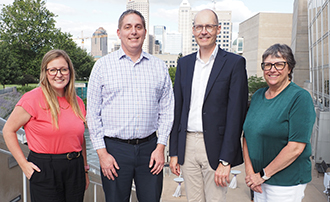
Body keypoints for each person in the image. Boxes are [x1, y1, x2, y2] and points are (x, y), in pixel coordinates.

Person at [86, 9, 174, 202]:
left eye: (138, 27)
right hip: (114, 151)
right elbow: (92, 113)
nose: (133, 32)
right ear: (119, 33)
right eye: (128, 27)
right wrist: (102, 153)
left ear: (144, 32)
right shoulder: (102, 66)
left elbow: (167, 111)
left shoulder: (159, 67)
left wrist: (161, 148)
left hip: (150, 150)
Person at [169, 9, 248, 202]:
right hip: (187, 145)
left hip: (216, 147)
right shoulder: (184, 64)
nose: (204, 31)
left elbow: (236, 114)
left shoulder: (234, 63)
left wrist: (226, 160)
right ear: (193, 30)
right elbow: (177, 109)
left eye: (209, 26)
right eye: (199, 27)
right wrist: (173, 152)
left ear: (218, 29)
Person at [3, 49, 89, 202]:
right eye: (53, 70)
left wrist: (85, 169)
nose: (59, 74)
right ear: (45, 72)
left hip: (75, 169)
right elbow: (8, 130)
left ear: (70, 72)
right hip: (46, 168)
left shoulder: (78, 102)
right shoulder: (31, 99)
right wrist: (23, 164)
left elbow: (79, 138)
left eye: (63, 69)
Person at [243, 44, 316, 202]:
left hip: (285, 183)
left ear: (289, 68)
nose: (272, 69)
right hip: (257, 181)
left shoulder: (299, 98)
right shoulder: (258, 96)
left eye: (279, 64)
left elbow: (296, 147)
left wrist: (262, 175)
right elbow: (247, 135)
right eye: (267, 65)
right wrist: (250, 172)